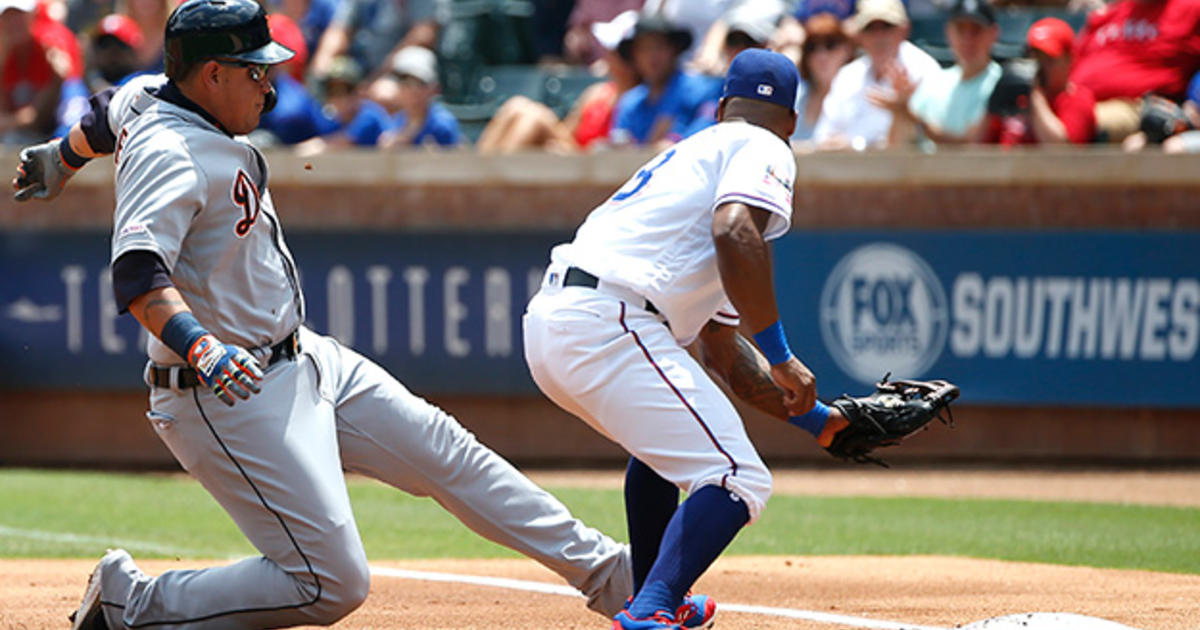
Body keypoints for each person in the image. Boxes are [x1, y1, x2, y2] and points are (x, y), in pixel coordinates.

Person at [12, 1, 640, 627]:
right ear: (210, 76)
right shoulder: (169, 153)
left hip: (305, 358)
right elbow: (138, 275)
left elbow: (107, 110)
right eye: (254, 70)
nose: (269, 82)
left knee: (448, 451)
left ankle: (620, 578)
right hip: (225, 391)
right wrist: (202, 347)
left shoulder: (157, 92)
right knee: (330, 583)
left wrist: (62, 158)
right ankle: (132, 603)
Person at [523, 48, 859, 630]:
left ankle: (653, 592)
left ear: (724, 105)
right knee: (739, 477)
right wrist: (781, 353)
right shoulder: (765, 147)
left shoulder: (693, 157)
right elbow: (735, 230)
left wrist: (821, 424)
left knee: (668, 451)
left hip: (558, 320)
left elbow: (724, 357)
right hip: (612, 319)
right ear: (793, 122)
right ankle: (651, 607)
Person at [475, 10, 640, 155]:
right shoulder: (597, 94)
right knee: (516, 107)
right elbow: (567, 134)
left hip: (594, 166)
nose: (607, 56)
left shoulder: (642, 99)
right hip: (575, 157)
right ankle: (480, 171)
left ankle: (486, 179)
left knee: (533, 118)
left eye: (614, 52)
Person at [811, 0, 940, 150]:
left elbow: (932, 140)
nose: (879, 36)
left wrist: (903, 111)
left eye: (887, 27)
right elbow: (823, 137)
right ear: (859, 35)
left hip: (913, 170)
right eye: (870, 28)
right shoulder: (847, 76)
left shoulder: (925, 70)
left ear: (904, 30)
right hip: (848, 170)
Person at [874, 0, 1002, 146]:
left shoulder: (1002, 84)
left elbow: (969, 145)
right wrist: (899, 114)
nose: (968, 39)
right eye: (960, 29)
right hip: (921, 168)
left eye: (976, 30)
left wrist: (910, 117)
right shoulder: (933, 81)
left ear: (993, 33)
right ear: (949, 32)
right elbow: (898, 145)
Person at [1069, 0, 1200, 142]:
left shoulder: (1191, 9)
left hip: (1137, 106)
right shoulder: (1111, 13)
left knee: (1069, 125)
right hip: (1077, 100)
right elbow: (1071, 61)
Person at [609, 15, 724, 148]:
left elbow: (708, 133)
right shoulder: (630, 103)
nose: (652, 56)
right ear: (634, 56)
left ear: (674, 50)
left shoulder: (704, 90)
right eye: (644, 49)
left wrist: (674, 143)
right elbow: (619, 141)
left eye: (659, 47)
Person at [982, 17, 1096, 146]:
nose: (1040, 67)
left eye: (1049, 60)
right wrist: (993, 103)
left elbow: (1063, 150)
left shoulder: (1076, 99)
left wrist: (1035, 97)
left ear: (1069, 60)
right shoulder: (1017, 98)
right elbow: (978, 144)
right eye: (1035, 58)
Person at [1, 0, 70, 145]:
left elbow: (36, 119)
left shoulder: (49, 48)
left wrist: (9, 122)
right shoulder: (7, 55)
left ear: (32, 16)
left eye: (19, 15)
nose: (14, 22)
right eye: (8, 17)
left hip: (52, 134)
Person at [373, 45, 462, 149]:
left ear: (433, 89)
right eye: (406, 83)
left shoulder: (443, 124)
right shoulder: (393, 123)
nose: (413, 92)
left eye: (420, 84)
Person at [791, 12, 855, 146]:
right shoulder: (794, 97)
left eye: (830, 45)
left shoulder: (858, 92)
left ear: (846, 50)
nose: (821, 56)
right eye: (812, 48)